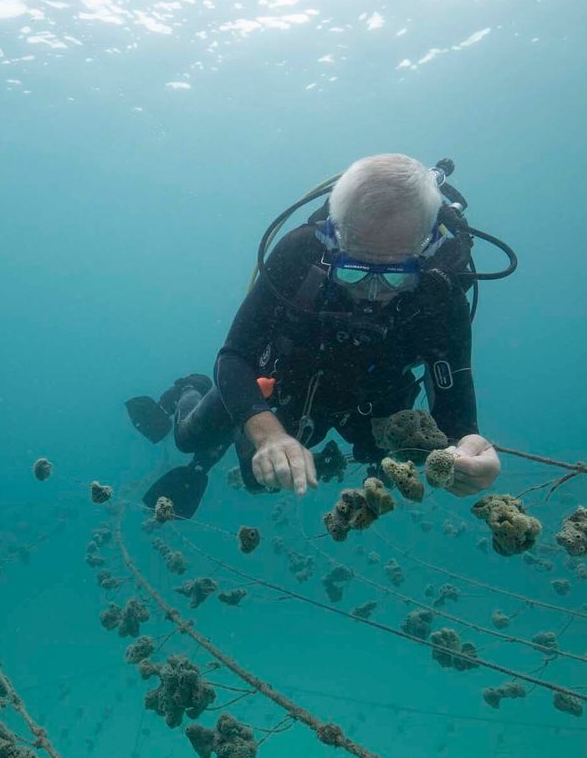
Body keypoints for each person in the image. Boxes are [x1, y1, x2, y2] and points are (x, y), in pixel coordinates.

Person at [126, 154, 508, 519]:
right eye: (353, 272)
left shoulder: (441, 291)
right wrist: (268, 434)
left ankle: (261, 437)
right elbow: (235, 355)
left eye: (395, 275)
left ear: (426, 248)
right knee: (190, 441)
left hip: (370, 404)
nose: (371, 292)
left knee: (264, 479)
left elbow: (456, 406)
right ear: (332, 239)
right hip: (282, 381)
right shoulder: (300, 252)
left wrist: (472, 446)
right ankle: (189, 389)